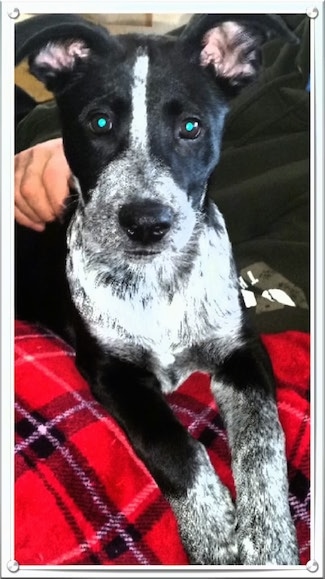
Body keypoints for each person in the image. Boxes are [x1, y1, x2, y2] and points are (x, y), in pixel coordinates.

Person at [15, 13, 310, 334]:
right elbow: (68, 101)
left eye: (190, 127)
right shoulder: (283, 24)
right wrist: (65, 142)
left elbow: (248, 324)